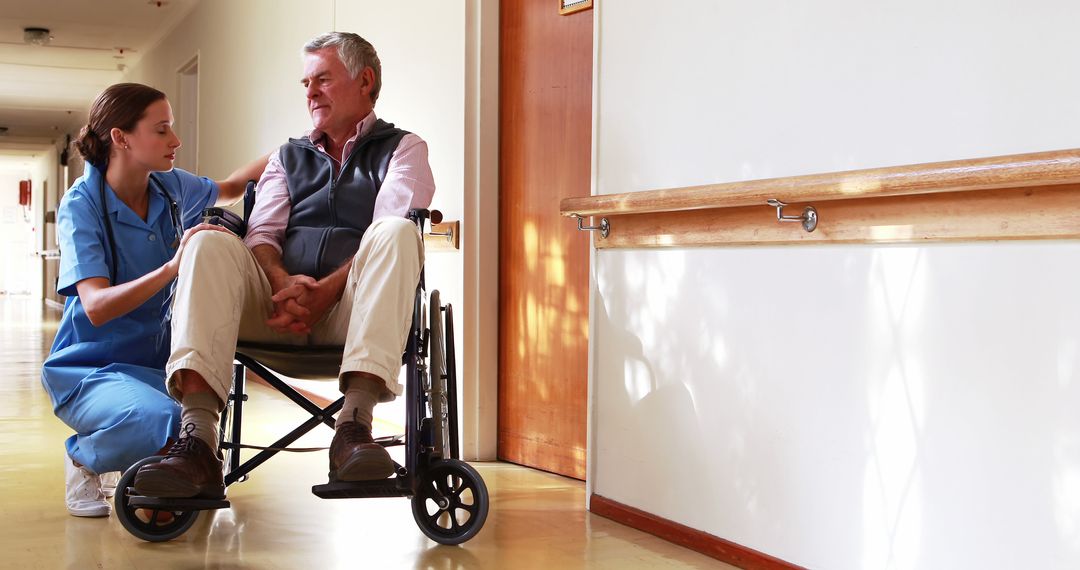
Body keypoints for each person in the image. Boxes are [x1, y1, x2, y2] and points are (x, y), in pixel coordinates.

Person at [133, 32, 436, 500]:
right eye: (306, 82)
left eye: (323, 80)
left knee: (398, 231)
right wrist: (283, 282)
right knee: (207, 242)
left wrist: (325, 293)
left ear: (365, 80)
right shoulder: (286, 156)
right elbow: (262, 236)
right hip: (276, 309)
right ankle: (196, 443)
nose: (310, 92)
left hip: (353, 314)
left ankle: (353, 428)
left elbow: (389, 225)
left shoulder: (404, 149)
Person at [41, 83, 268, 517]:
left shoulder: (171, 187)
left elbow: (234, 185)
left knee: (186, 444)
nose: (176, 141)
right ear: (121, 138)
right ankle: (84, 456)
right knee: (168, 422)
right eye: (161, 130)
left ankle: (136, 456)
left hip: (158, 367)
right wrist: (171, 268)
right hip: (91, 368)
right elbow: (96, 305)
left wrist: (295, 148)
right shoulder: (82, 206)